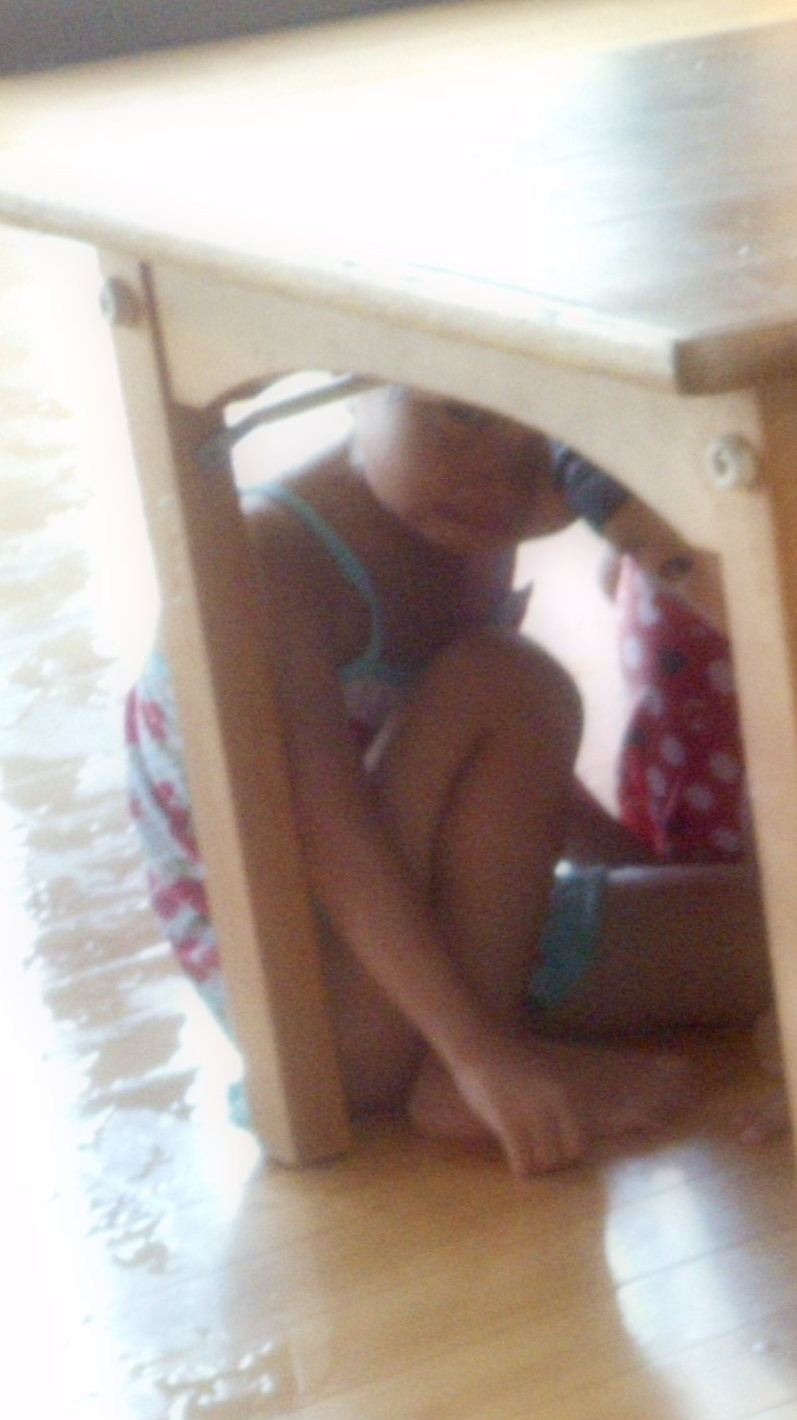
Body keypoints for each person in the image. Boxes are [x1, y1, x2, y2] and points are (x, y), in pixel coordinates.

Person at [119, 387, 764, 1170]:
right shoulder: (265, 556)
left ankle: (481, 1046)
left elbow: (506, 773)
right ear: (355, 372)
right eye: (465, 414)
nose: (501, 480)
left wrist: (645, 869)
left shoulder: (467, 519)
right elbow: (331, 839)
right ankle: (460, 1075)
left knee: (778, 938)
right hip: (323, 1015)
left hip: (441, 944)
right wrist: (479, 1054)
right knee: (510, 680)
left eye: (554, 449)